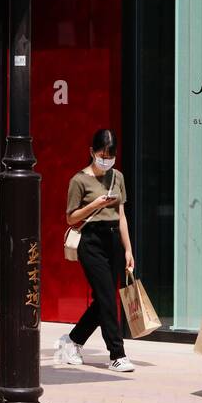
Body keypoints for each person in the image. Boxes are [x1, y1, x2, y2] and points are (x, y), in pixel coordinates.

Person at [55, 129, 136, 373]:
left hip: (113, 241)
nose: (106, 159)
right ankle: (117, 354)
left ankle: (72, 340)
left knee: (105, 300)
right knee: (107, 298)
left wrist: (128, 250)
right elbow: (70, 218)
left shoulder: (117, 177)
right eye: (102, 155)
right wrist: (94, 204)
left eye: (110, 155)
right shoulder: (79, 180)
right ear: (92, 152)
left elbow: (121, 216)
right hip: (90, 242)